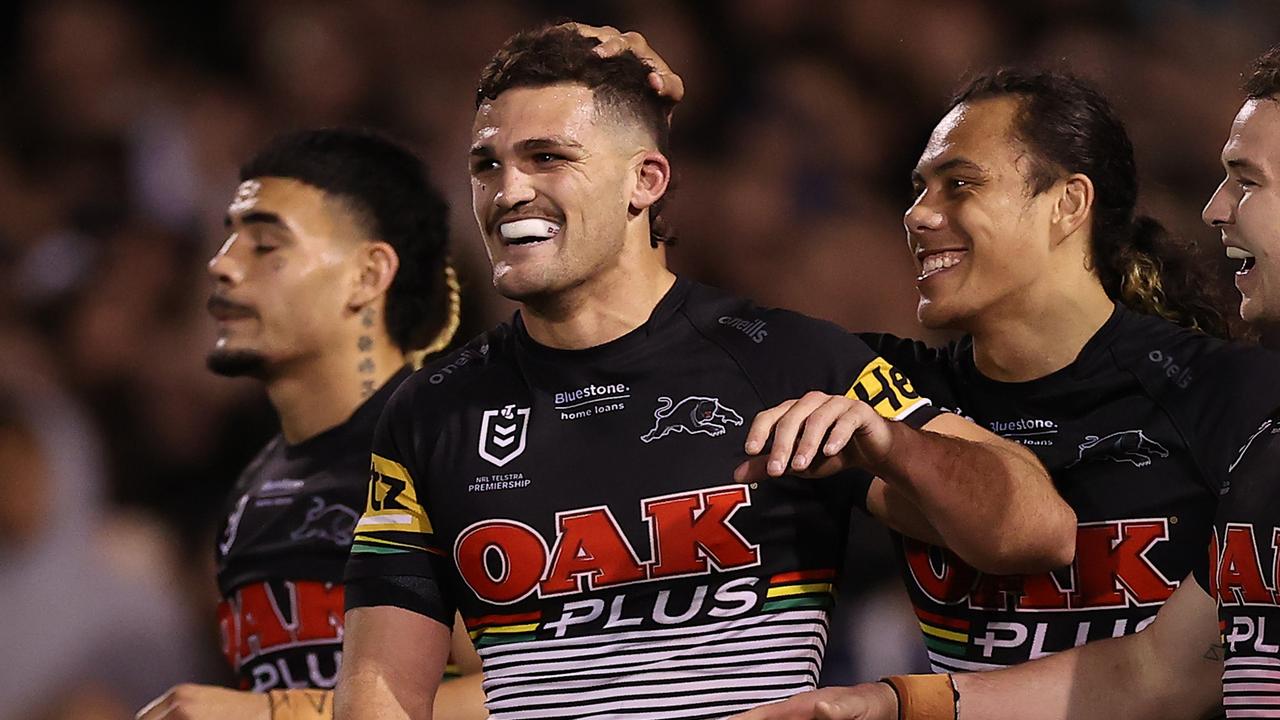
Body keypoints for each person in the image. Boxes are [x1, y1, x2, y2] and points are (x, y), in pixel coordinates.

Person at [334, 25, 1074, 720]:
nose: (508, 191)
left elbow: (1039, 532)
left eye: (547, 157)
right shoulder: (430, 413)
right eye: (486, 164)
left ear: (646, 179)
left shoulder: (786, 359)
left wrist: (896, 444)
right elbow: (379, 691)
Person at [728, 42, 1280, 720]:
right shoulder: (886, 387)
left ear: (1067, 203)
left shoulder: (1231, 392)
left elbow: (1163, 677)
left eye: (960, 184)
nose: (918, 215)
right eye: (918, 189)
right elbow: (1150, 672)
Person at [135, 129, 485, 720]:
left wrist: (273, 715)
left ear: (368, 275)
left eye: (266, 245)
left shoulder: (454, 447)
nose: (221, 266)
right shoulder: (253, 488)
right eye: (227, 240)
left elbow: (533, 689)